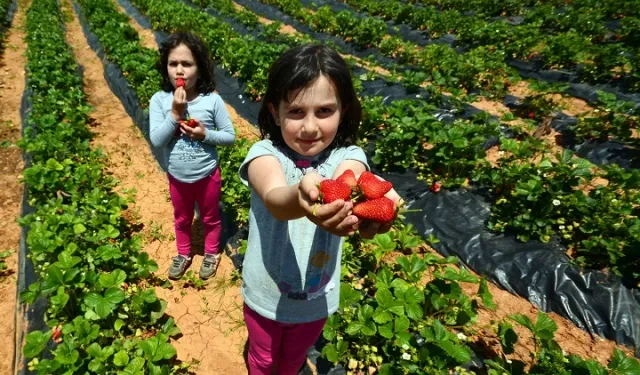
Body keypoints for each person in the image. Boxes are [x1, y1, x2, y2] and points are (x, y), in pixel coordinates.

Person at [238, 44, 400, 375]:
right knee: (263, 358)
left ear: (343, 111)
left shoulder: (347, 156)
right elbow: (274, 197)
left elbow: (352, 176)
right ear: (275, 111)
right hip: (265, 296)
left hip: (317, 299)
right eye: (296, 112)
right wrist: (301, 197)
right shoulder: (264, 154)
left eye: (324, 111)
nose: (310, 127)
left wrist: (374, 208)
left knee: (294, 358)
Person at [149, 32, 235, 280]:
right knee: (182, 218)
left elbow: (229, 137)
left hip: (207, 174)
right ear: (165, 66)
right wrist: (175, 114)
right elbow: (157, 140)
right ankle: (184, 253)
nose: (179, 70)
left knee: (210, 217)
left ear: (200, 69)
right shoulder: (159, 101)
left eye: (187, 64)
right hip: (177, 176)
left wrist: (204, 134)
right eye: (173, 63)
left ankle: (211, 253)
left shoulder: (212, 101)